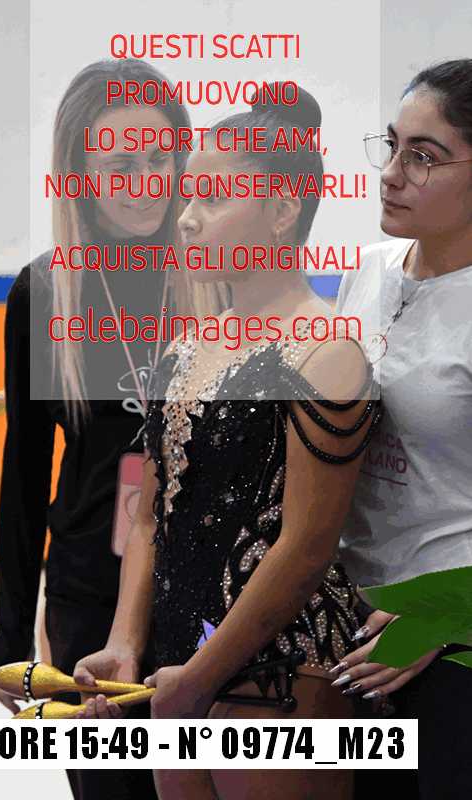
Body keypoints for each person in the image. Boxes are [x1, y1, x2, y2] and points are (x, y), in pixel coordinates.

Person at [73, 84, 382, 800]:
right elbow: (149, 518)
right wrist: (125, 642)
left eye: (211, 199)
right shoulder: (183, 349)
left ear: (281, 211)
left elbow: (305, 548)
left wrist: (204, 677)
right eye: (189, 197)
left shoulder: (327, 353)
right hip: (177, 657)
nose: (185, 218)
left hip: (281, 666)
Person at [0, 57, 191, 800]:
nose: (144, 182)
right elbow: (24, 471)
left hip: (202, 582)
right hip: (88, 590)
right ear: (80, 172)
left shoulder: (214, 274)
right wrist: (10, 634)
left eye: (159, 159)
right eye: (120, 164)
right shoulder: (46, 291)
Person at [330, 59, 472, 799]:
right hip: (350, 624)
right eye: (391, 146)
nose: (390, 174)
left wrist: (448, 610)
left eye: (423, 156)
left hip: (450, 638)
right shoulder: (368, 270)